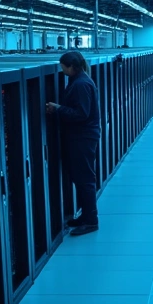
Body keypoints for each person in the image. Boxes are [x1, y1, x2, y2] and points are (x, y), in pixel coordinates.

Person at [46, 51, 101, 236]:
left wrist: (58, 109)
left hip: (83, 137)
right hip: (80, 137)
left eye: (63, 68)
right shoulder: (79, 80)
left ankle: (91, 221)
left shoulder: (81, 84)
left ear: (71, 66)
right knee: (80, 178)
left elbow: (82, 114)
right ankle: (85, 216)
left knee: (85, 179)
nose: (62, 71)